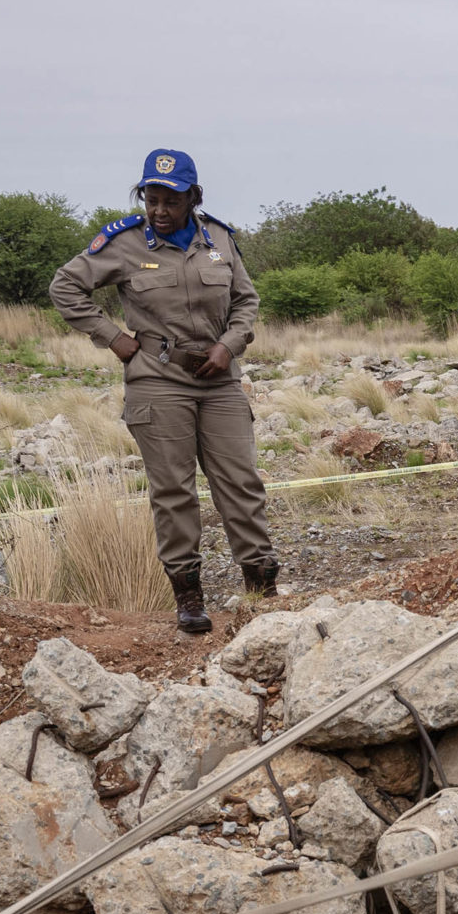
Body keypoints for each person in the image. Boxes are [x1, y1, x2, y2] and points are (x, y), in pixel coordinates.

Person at [49, 148, 276, 636]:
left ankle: (262, 588)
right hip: (157, 378)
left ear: (193, 197)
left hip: (220, 380)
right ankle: (189, 597)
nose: (160, 210)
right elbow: (65, 287)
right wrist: (113, 338)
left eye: (171, 201)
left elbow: (246, 300)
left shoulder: (219, 238)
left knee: (240, 483)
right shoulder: (124, 243)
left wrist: (229, 345)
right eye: (152, 199)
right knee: (174, 491)